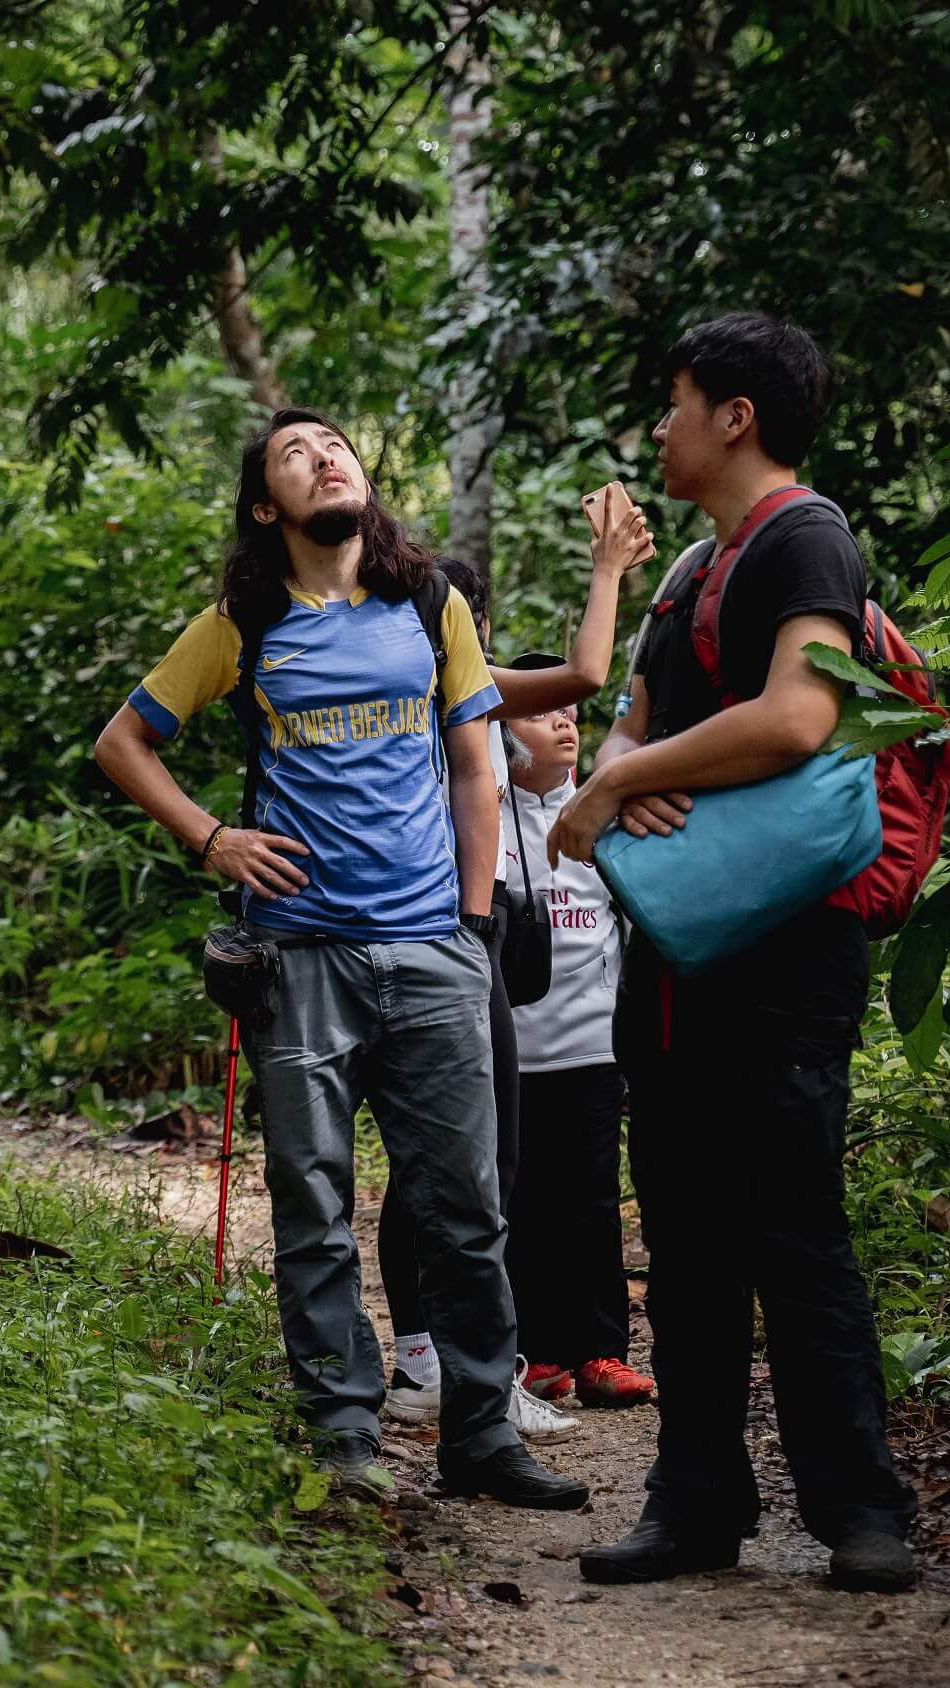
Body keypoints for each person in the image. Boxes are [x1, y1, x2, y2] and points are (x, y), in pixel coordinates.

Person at [90, 408, 586, 1509]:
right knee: (312, 1202)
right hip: (299, 954)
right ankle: (343, 1431)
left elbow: (474, 760)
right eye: (295, 454)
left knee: (466, 1204)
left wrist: (468, 918)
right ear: (269, 505)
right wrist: (213, 837)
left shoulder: (429, 605)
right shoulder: (245, 623)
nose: (326, 458)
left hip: (432, 951)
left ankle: (481, 1432)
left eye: (337, 446)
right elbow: (123, 742)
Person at [549, 313, 920, 1592]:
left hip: (786, 956)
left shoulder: (807, 536)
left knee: (796, 1227)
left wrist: (624, 783)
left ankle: (861, 1510)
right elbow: (631, 729)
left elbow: (802, 713)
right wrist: (623, 773)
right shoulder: (684, 575)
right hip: (676, 961)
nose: (662, 426)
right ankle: (693, 1502)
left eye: (676, 401)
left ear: (737, 417)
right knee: (693, 1240)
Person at [379, 520, 650, 1440]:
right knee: (437, 1166)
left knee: (481, 1171)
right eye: (452, 622)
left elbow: (579, 684)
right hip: (430, 933)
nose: (467, 642)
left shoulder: (473, 700)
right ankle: (432, 1363)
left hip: (477, 939)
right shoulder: (393, 699)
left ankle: (476, 1366)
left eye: (470, 625)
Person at [496, 680, 654, 1412]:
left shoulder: (608, 812)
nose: (563, 720)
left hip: (592, 1047)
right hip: (511, 1050)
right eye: (538, 711)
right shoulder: (482, 811)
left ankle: (600, 1352)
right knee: (522, 1203)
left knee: (590, 1203)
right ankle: (536, 1353)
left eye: (569, 710)